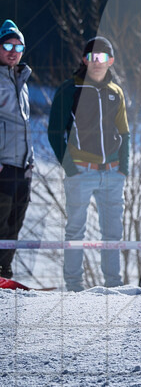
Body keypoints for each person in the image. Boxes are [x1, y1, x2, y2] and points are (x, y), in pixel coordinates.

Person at [48, 37, 131, 291]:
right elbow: (54, 132)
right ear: (85, 60)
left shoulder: (115, 92)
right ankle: (74, 286)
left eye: (103, 58)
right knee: (75, 231)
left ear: (111, 61)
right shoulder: (69, 89)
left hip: (112, 173)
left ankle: (113, 286)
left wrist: (123, 168)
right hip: (81, 171)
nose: (98, 62)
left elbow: (124, 132)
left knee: (113, 233)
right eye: (93, 57)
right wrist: (71, 169)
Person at [0, 21, 33, 282]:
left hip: (23, 167)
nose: (13, 50)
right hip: (3, 166)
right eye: (7, 45)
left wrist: (30, 162)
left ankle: (4, 272)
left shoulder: (22, 80)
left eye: (18, 45)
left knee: (14, 224)